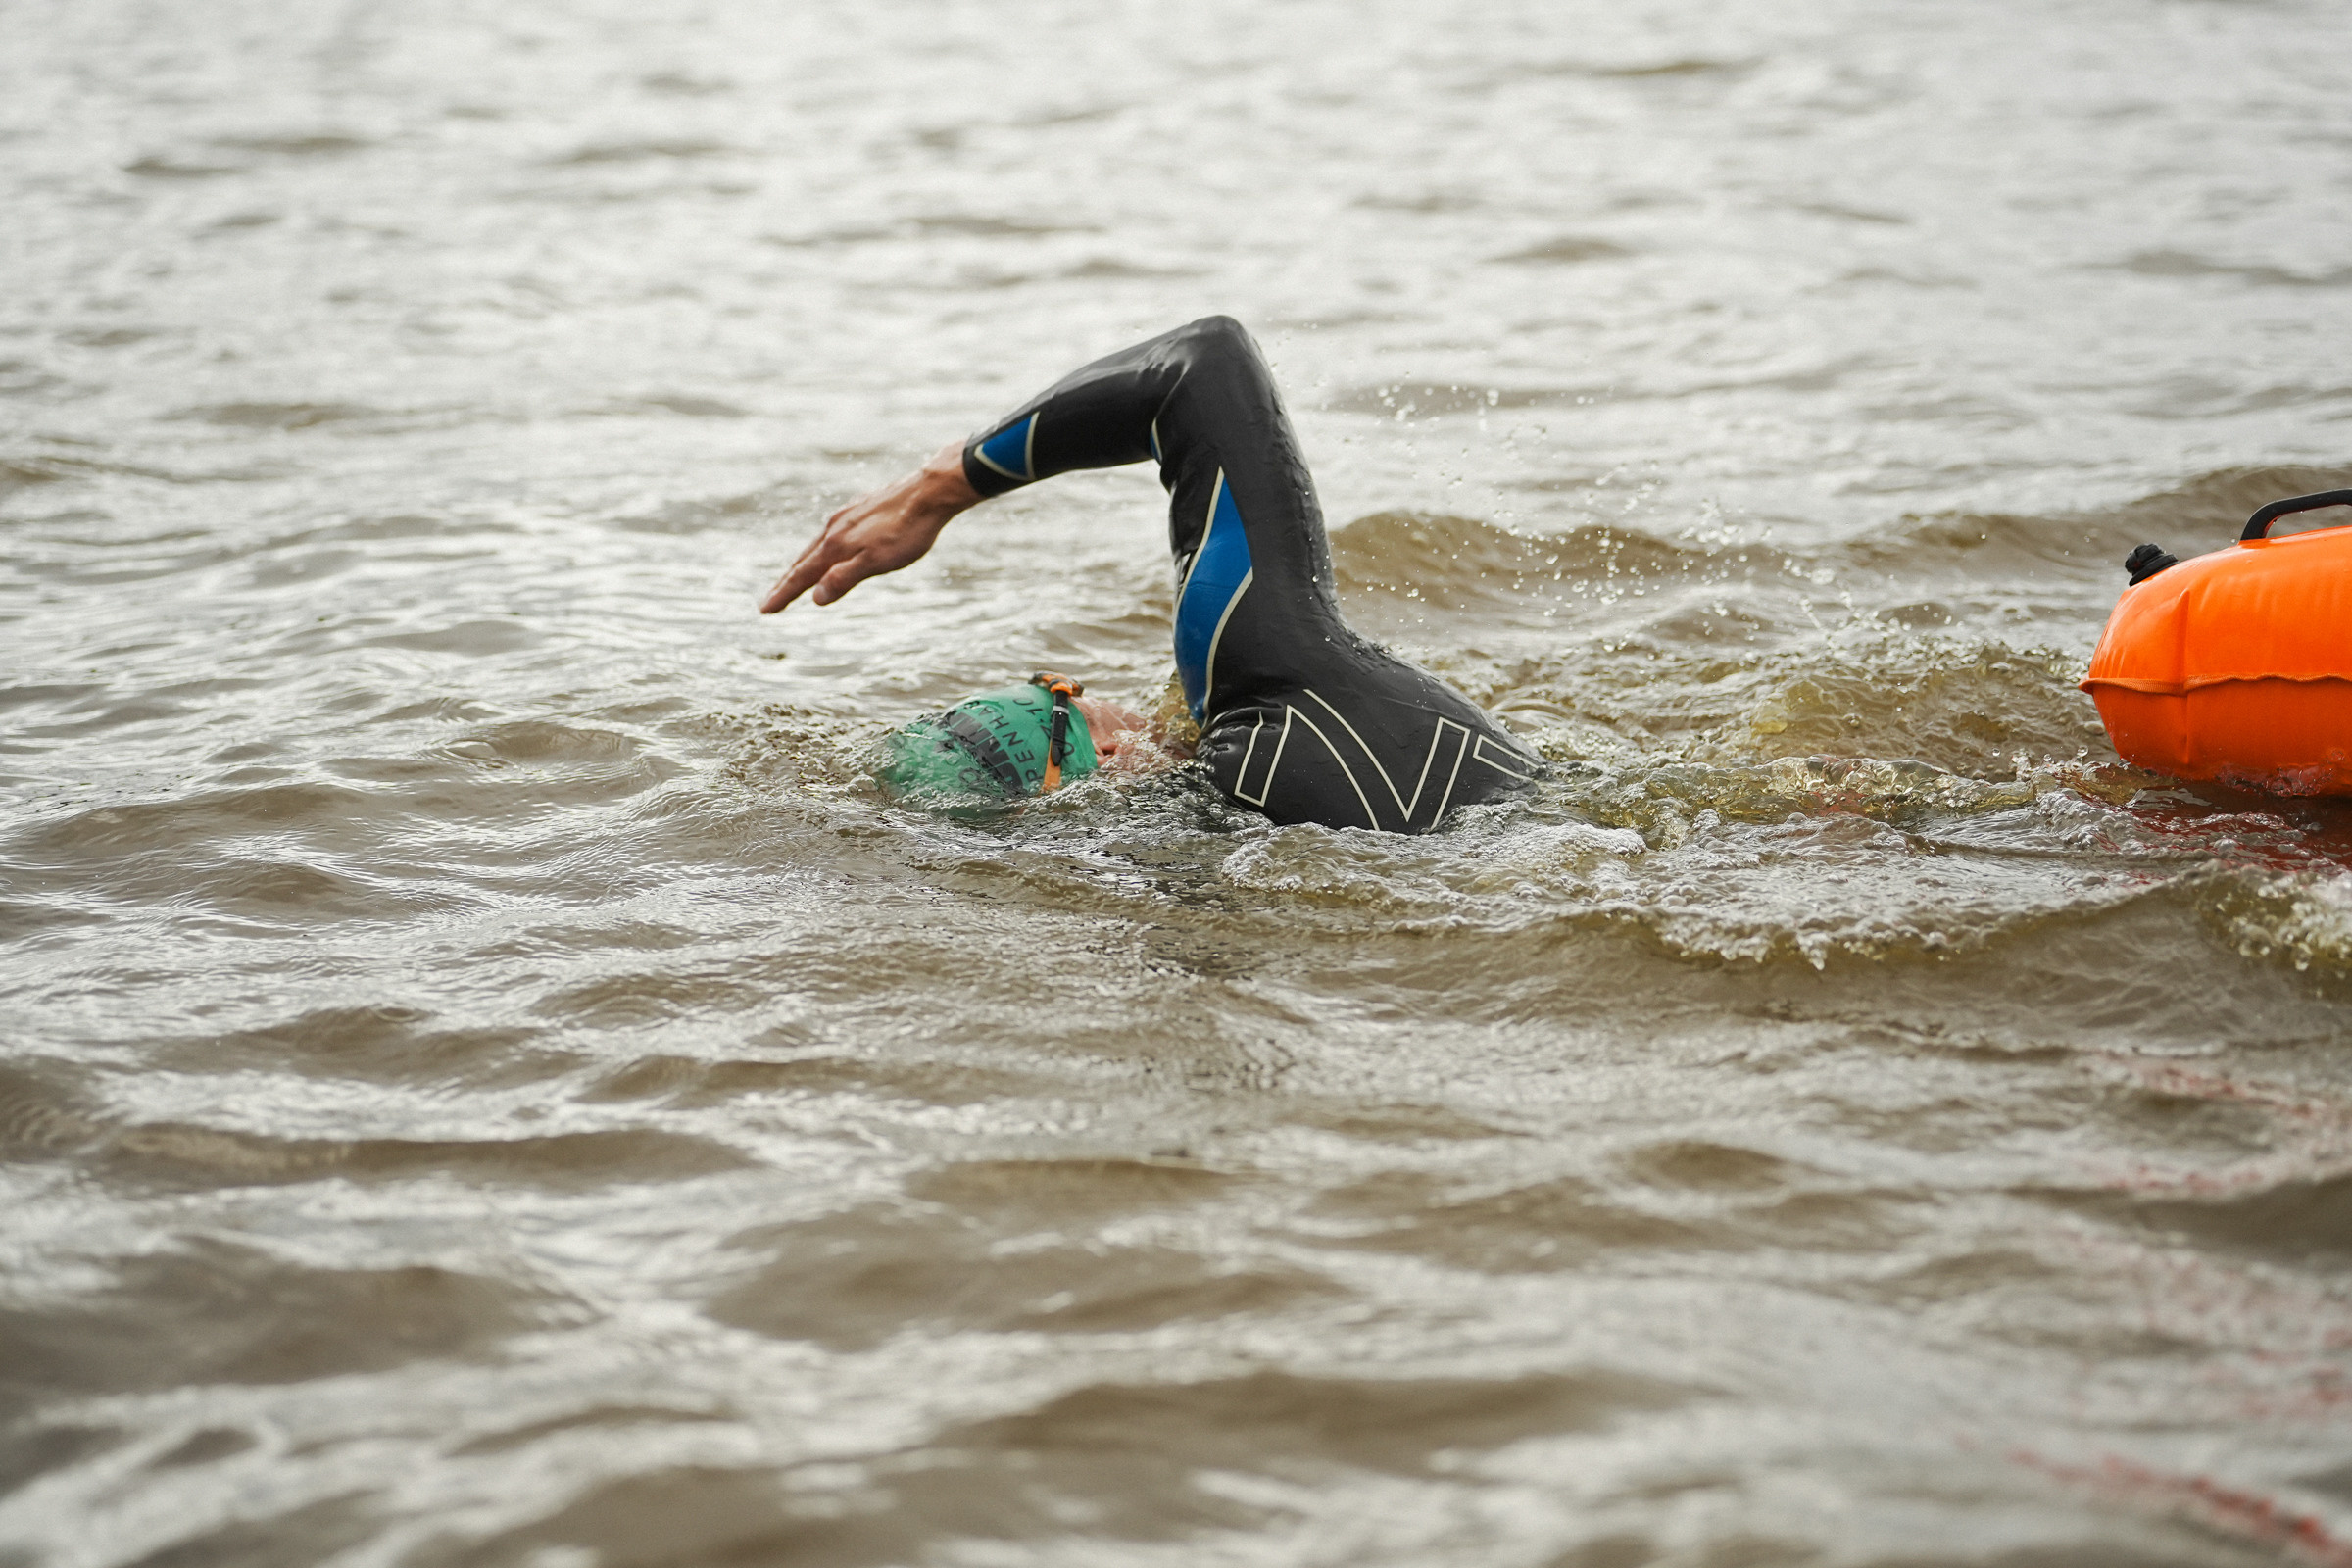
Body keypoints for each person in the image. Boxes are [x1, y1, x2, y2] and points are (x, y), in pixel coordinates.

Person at [762, 316, 1542, 833]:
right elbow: (1202, 365)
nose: (1080, 684)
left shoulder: (1202, 852)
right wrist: (943, 486)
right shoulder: (1263, 684)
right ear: (1096, 758)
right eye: (1056, 693)